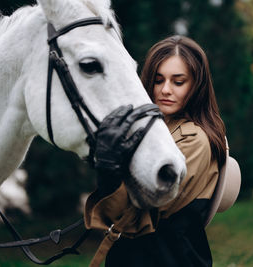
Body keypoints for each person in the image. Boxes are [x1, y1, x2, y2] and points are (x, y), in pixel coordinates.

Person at [85, 35, 227, 267]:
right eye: (158, 80)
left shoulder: (195, 139)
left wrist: (110, 172)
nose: (166, 90)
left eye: (178, 81)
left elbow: (136, 214)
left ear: (197, 85)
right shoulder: (152, 130)